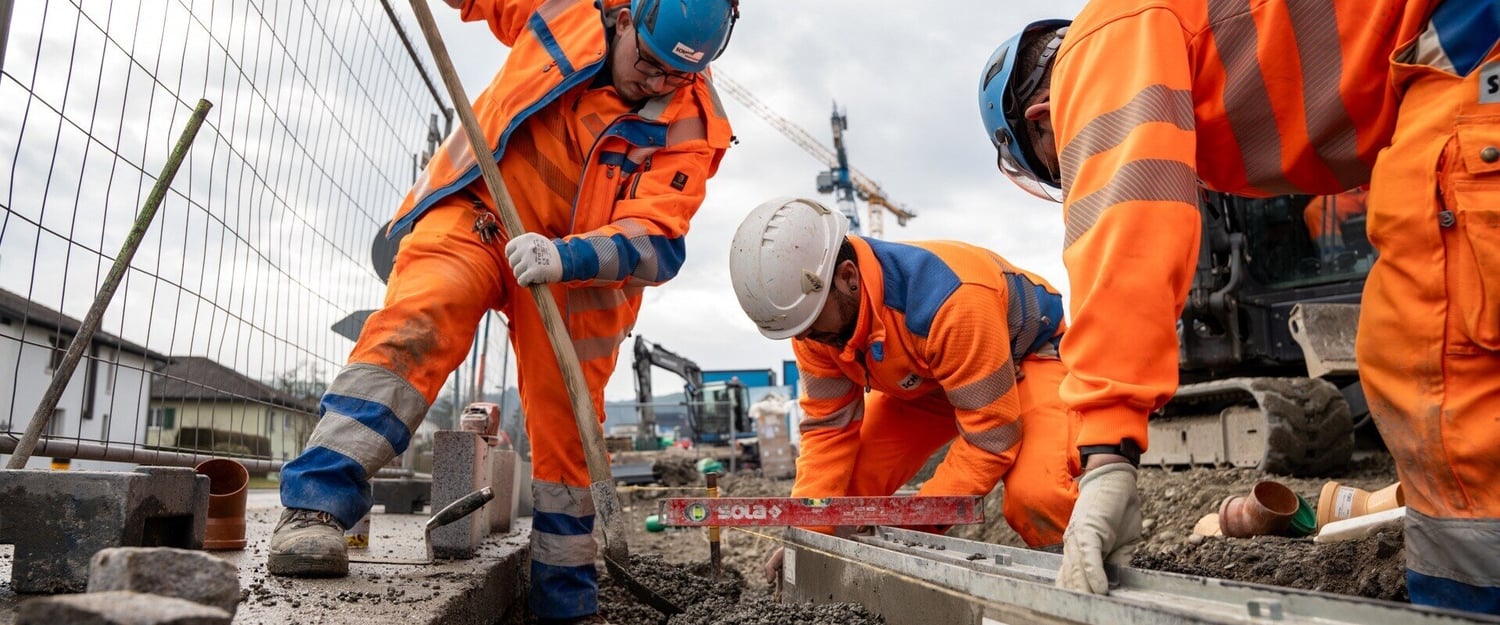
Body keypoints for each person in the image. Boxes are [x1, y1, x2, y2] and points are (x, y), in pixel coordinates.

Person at [978, 2, 1500, 612]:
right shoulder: (1161, 35)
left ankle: (1468, 602)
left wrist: (1105, 456)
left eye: (1065, 161)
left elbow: (1124, 237)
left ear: (1046, 119)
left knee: (1432, 355)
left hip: (1464, 46)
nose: (1079, 166)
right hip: (1454, 54)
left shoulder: (1097, 49)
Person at [269, 0, 738, 622]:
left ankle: (565, 601)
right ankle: (316, 506)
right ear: (625, 19)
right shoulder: (565, 9)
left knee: (569, 436)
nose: (656, 84)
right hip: (481, 210)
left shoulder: (695, 124)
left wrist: (565, 258)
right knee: (423, 318)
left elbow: (658, 243)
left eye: (675, 76)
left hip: (579, 277)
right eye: (649, 64)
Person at [728, 197, 1080, 580]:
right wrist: (806, 537)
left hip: (1024, 359)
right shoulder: (813, 325)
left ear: (848, 277)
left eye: (812, 324)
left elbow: (991, 439)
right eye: (799, 331)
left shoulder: (949, 301)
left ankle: (1077, 584)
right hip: (931, 380)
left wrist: (915, 527)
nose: (808, 340)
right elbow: (827, 431)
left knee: (1037, 497)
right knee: (843, 498)